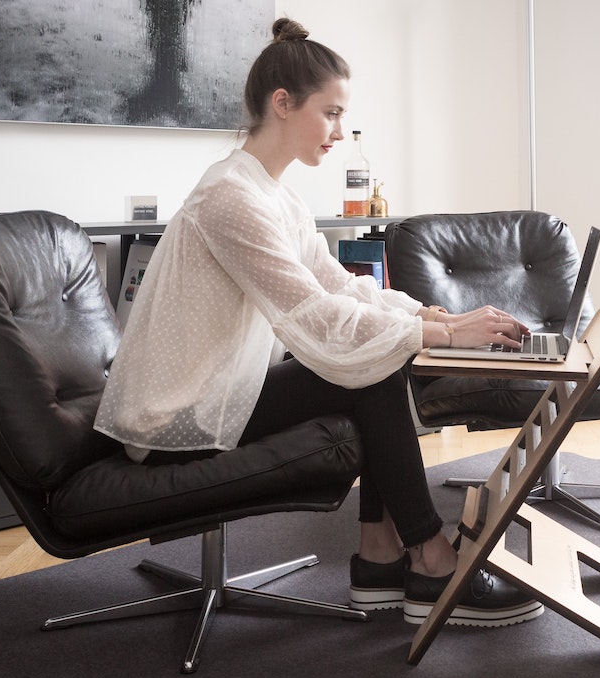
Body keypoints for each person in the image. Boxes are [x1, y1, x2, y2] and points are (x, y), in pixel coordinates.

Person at [94, 17, 543, 628]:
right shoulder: (230, 196)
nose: (338, 132)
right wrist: (437, 334)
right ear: (283, 104)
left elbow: (338, 285)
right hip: (178, 415)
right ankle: (428, 561)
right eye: (330, 114)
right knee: (378, 367)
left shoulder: (275, 195)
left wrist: (431, 315)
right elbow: (314, 313)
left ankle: (384, 560)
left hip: (223, 392)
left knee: (381, 357)